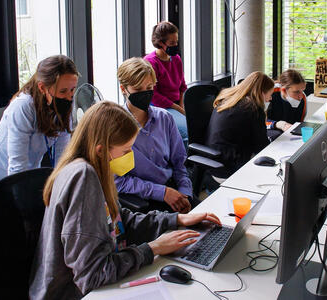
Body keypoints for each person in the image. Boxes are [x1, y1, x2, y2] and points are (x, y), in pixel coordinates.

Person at [29, 102, 221, 300]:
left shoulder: (97, 170)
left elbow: (119, 222)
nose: (130, 158)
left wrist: (175, 220)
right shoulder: (83, 178)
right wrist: (152, 248)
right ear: (101, 150)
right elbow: (93, 275)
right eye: (126, 151)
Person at [0, 55, 78, 204]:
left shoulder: (63, 108)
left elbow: (61, 160)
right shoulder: (23, 107)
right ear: (42, 88)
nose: (69, 97)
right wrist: (25, 207)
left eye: (72, 90)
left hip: (23, 178)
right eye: (62, 91)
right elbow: (18, 165)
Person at [115, 57, 196, 213]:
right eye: (138, 89)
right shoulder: (115, 127)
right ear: (123, 89)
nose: (145, 93)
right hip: (143, 200)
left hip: (173, 188)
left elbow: (180, 162)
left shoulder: (165, 118)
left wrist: (185, 193)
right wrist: (162, 193)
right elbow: (118, 182)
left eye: (149, 87)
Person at [206, 71, 275, 178]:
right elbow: (261, 147)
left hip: (214, 158)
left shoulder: (228, 99)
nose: (270, 99)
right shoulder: (254, 109)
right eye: (270, 95)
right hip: (231, 166)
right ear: (261, 93)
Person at [144, 21, 188, 146]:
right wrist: (178, 109)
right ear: (161, 43)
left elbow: (182, 86)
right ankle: (183, 163)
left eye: (176, 42)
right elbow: (153, 95)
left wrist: (181, 106)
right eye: (172, 43)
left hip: (176, 104)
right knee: (185, 132)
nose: (175, 45)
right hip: (159, 106)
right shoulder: (151, 62)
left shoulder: (176, 58)